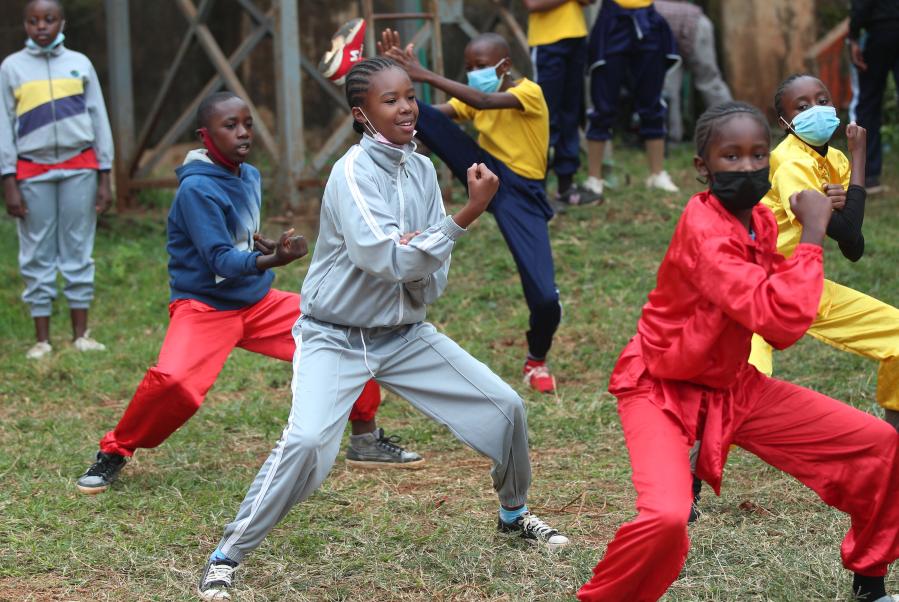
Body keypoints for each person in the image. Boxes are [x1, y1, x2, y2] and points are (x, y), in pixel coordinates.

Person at [197, 58, 569, 601]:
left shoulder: (420, 170)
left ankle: (513, 515)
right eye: (390, 100)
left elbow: (427, 272)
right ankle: (227, 555)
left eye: (410, 97)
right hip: (334, 336)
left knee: (506, 407)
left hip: (403, 335)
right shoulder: (350, 173)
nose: (406, 108)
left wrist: (422, 251)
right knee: (304, 443)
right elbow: (388, 259)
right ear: (361, 113)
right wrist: (463, 217)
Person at [578, 101, 899, 602]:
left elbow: (778, 289)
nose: (748, 167)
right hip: (661, 386)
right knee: (666, 517)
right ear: (702, 167)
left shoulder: (761, 223)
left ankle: (871, 584)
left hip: (733, 386)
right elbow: (778, 322)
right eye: (731, 157)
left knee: (879, 445)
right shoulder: (705, 233)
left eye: (757, 156)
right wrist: (814, 230)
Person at [75, 91, 422, 495]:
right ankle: (114, 452)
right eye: (230, 126)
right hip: (204, 308)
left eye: (248, 124)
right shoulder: (196, 191)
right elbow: (220, 260)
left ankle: (365, 438)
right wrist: (276, 261)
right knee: (174, 383)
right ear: (206, 136)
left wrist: (264, 246)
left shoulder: (249, 175)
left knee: (348, 328)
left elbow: (239, 240)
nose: (243, 133)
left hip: (258, 302)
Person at [380, 29, 563, 394]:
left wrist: (423, 75)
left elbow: (480, 99)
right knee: (416, 114)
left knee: (545, 298)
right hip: (486, 174)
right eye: (468, 67)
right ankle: (377, 126)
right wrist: (388, 87)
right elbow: (429, 118)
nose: (473, 71)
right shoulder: (473, 100)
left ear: (504, 65)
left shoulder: (529, 92)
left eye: (480, 65)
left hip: (522, 196)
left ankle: (536, 360)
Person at [748, 74, 899, 433]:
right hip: (756, 290)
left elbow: (853, 246)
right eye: (802, 107)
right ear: (785, 123)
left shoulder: (834, 160)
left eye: (822, 99)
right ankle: (688, 474)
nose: (816, 110)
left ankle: (892, 443)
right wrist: (861, 157)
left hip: (802, 283)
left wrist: (847, 197)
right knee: (743, 384)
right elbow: (845, 228)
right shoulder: (791, 164)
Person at [1, 0, 113, 359]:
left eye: (49, 19)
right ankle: (42, 340)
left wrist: (105, 175)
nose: (41, 27)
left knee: (78, 248)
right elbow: (4, 127)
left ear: (62, 22)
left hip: (80, 167)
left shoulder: (79, 64)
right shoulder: (11, 68)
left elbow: (99, 118)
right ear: (25, 25)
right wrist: (8, 180)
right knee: (36, 252)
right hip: (32, 171)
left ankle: (81, 334)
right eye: (33, 21)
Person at [583, 0, 681, 199]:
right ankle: (594, 178)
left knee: (652, 100)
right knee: (602, 103)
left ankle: (657, 174)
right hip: (612, 22)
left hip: (648, 20)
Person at [523, 0, 602, 206]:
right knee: (545, 117)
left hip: (576, 37)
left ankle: (565, 187)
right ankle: (536, 191)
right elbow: (533, 4)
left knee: (571, 115)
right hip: (547, 42)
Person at [654, 0, 732, 142]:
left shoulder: (631, 12)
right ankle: (671, 137)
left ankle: (735, 129)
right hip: (672, 42)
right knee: (668, 90)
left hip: (695, 27)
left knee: (709, 82)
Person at [847, 0, 899, 193]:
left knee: (868, 102)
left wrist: (853, 36)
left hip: (880, 31)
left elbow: (862, 6)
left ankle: (868, 177)